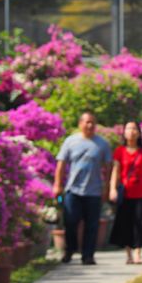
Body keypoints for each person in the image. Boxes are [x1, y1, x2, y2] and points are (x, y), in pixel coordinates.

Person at [53, 110, 113, 265]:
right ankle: (70, 249)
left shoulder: (102, 143)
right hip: (73, 190)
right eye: (87, 122)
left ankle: (88, 255)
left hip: (93, 191)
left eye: (93, 122)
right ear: (80, 124)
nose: (90, 125)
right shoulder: (70, 141)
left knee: (92, 225)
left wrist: (106, 188)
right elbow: (61, 164)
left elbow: (109, 166)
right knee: (70, 221)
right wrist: (57, 184)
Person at [108, 121, 142, 264]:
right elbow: (115, 171)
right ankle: (128, 253)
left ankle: (137, 253)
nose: (132, 131)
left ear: (139, 133)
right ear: (124, 132)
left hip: (141, 193)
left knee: (140, 223)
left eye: (134, 128)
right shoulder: (119, 151)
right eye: (129, 128)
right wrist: (112, 189)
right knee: (125, 223)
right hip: (125, 194)